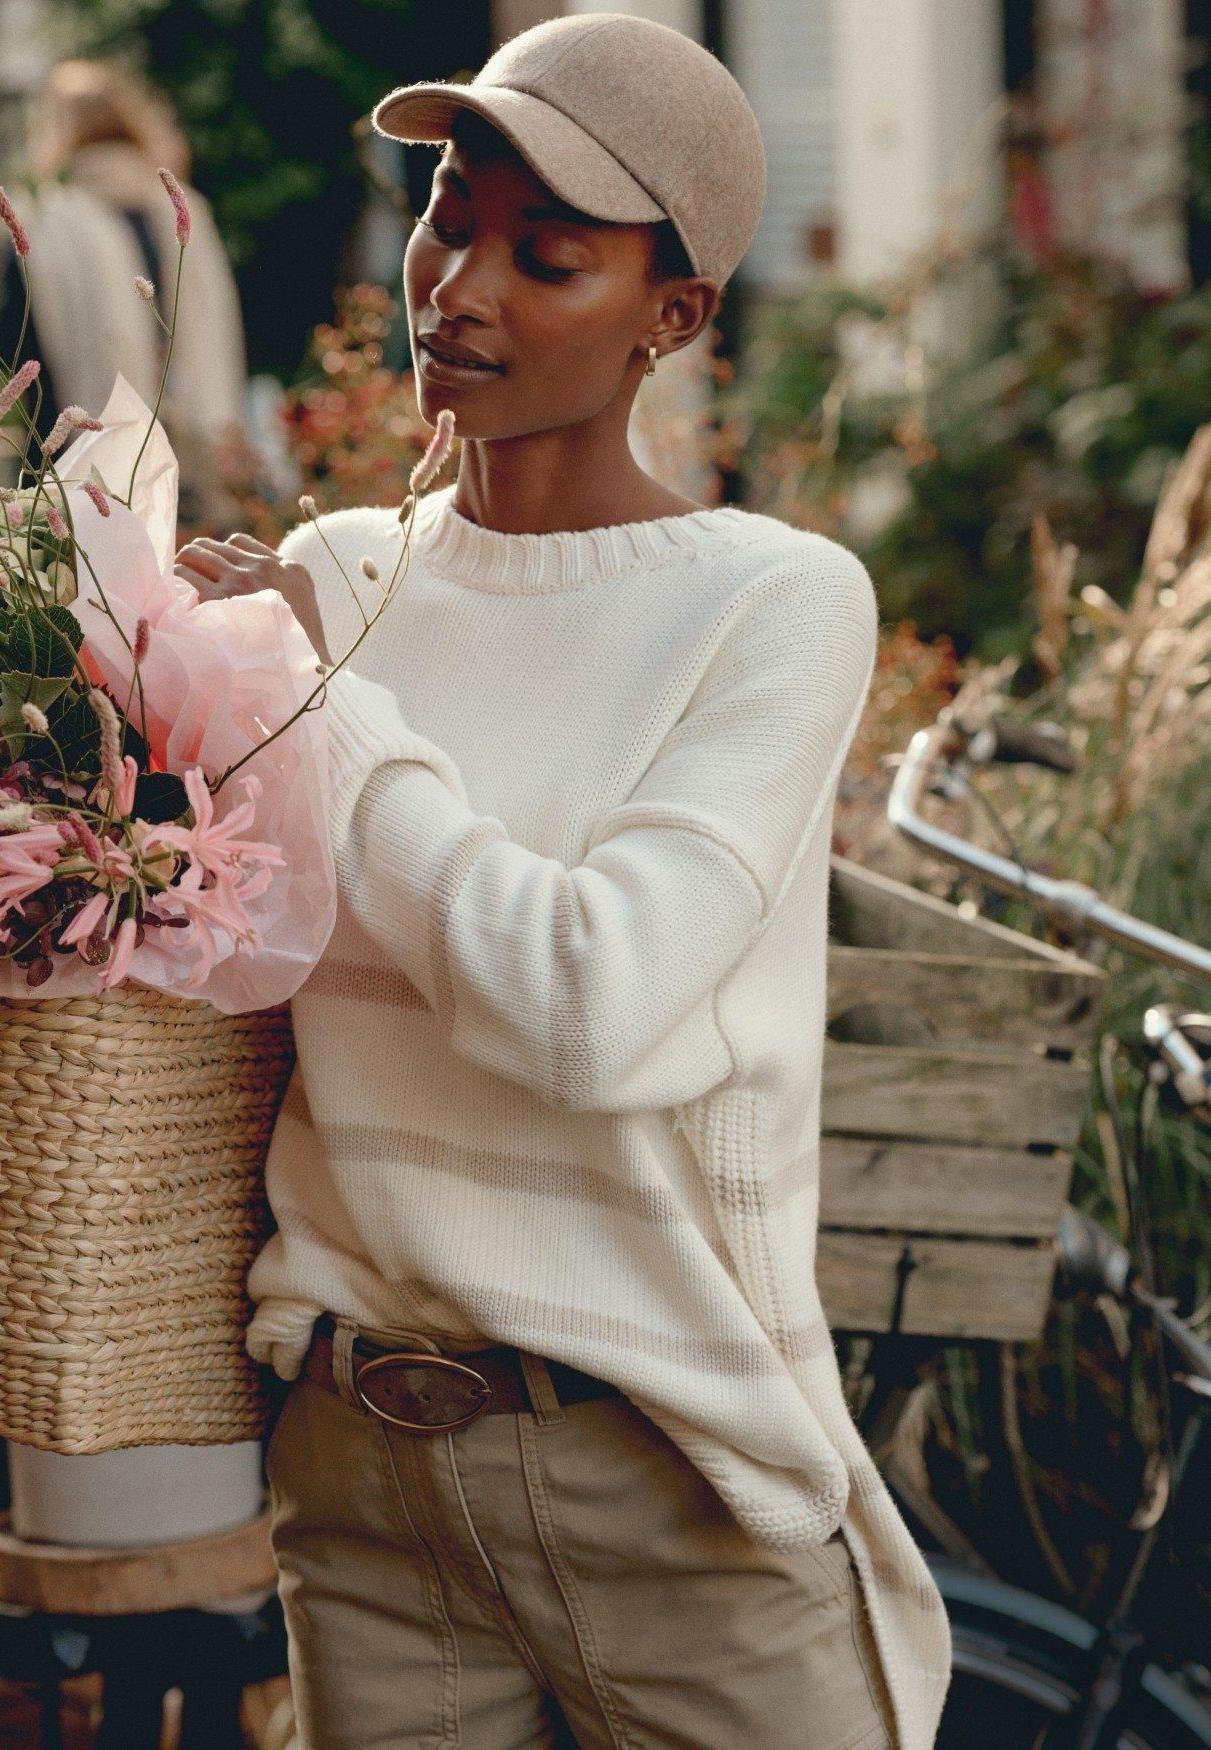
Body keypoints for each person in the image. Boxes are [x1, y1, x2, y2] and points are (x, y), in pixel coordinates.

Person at [176, 15, 952, 1747]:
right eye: (450, 213)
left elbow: (588, 1005)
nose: (461, 283)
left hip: (660, 1472)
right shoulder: (333, 577)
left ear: (670, 317)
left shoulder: (772, 600)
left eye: (552, 256)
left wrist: (318, 704)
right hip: (360, 1475)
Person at [0, 59, 247, 487]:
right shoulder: (186, 214)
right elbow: (221, 328)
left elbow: (12, 351)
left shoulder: (42, 226)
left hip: (78, 464)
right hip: (193, 458)